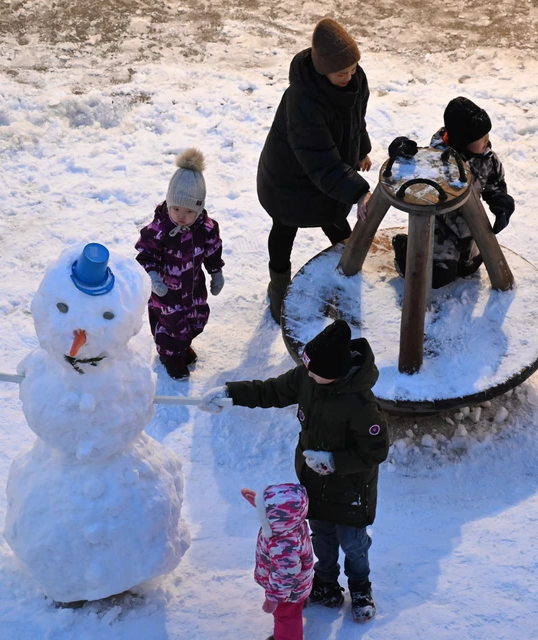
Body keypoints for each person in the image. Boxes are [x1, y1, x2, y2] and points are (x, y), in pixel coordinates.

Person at [201, 320, 389, 622]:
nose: (308, 374)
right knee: (321, 538)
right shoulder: (308, 378)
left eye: (314, 371)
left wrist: (333, 461)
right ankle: (325, 584)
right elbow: (271, 391)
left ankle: (360, 587)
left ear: (335, 373)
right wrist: (230, 394)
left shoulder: (362, 406)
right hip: (313, 484)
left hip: (351, 490)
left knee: (353, 544)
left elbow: (375, 451)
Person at [257, 18, 373, 322]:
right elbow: (319, 159)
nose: (349, 76)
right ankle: (279, 288)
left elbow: (356, 119)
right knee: (284, 229)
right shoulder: (302, 101)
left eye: (352, 69)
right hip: (289, 181)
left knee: (336, 223)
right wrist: (359, 189)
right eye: (341, 73)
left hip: (329, 176)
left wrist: (361, 149)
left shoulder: (355, 81)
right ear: (322, 70)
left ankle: (349, 275)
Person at [392, 96, 515, 289]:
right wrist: (401, 151)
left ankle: (460, 259)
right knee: (437, 276)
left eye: (487, 136)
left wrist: (501, 205)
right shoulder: (436, 159)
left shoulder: (486, 158)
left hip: (468, 223)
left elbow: (495, 184)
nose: (487, 142)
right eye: (481, 139)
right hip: (440, 225)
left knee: (469, 267)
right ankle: (405, 250)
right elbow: (410, 173)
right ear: (462, 140)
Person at [136, 148, 225, 380]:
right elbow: (145, 255)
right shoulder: (159, 231)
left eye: (189, 211)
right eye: (176, 209)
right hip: (166, 292)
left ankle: (181, 347)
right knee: (172, 326)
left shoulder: (206, 228)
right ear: (169, 203)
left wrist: (216, 273)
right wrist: (154, 278)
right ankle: (170, 357)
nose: (181, 216)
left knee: (196, 320)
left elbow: (213, 250)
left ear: (199, 208)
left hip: (194, 288)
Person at [240, 484, 314, 640]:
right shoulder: (293, 523)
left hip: (288, 591)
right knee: (290, 612)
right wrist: (260, 502)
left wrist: (274, 598)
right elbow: (282, 513)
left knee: (286, 617)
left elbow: (284, 575)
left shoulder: (284, 544)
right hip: (296, 584)